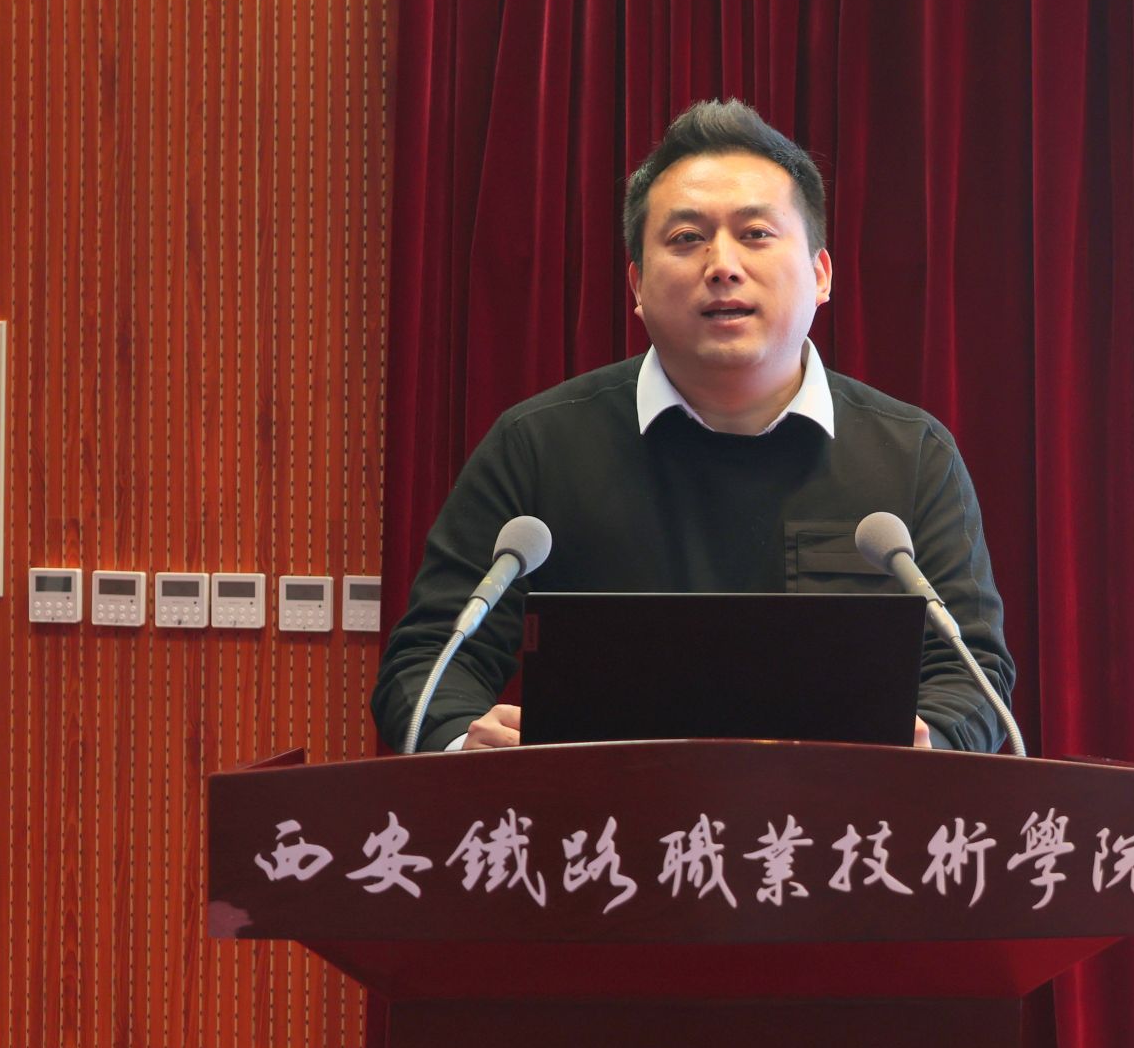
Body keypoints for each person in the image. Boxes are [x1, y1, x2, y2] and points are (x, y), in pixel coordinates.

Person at [370, 99, 1014, 753]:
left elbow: (972, 677)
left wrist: (931, 745)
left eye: (756, 233)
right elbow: (427, 664)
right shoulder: (537, 447)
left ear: (821, 274)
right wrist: (465, 744)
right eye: (685, 238)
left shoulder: (910, 456)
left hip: (841, 813)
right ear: (636, 284)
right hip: (595, 813)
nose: (722, 265)